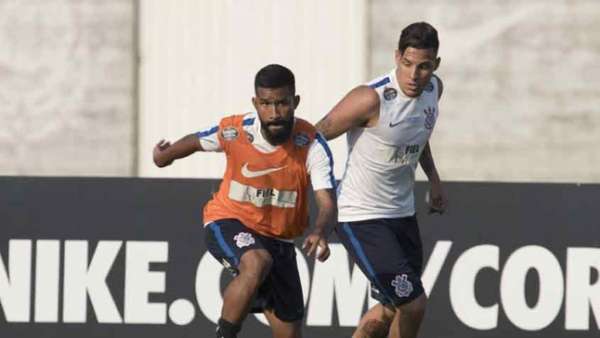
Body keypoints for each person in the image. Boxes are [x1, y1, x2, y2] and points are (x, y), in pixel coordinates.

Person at [153, 64, 337, 338]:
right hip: (229, 220)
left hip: (281, 241)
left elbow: (327, 201)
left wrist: (320, 230)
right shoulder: (235, 131)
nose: (274, 113)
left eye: (282, 103)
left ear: (295, 102)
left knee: (289, 333)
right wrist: (165, 156)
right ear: (255, 103)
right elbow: (197, 140)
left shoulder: (311, 143)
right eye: (265, 104)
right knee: (256, 262)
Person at [315, 22, 448, 338]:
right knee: (413, 304)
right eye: (408, 64)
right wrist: (324, 195)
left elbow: (418, 133)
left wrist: (434, 178)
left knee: (390, 307)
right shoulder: (371, 98)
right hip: (361, 217)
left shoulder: (434, 89)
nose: (414, 75)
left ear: (436, 65)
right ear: (397, 57)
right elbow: (313, 138)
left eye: (424, 67)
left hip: (401, 214)